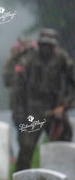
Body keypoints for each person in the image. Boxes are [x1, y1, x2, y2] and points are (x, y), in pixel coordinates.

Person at [7, 29, 75, 172]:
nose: (46, 48)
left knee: (63, 144)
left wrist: (65, 104)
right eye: (43, 44)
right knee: (26, 146)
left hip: (55, 108)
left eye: (49, 46)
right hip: (33, 110)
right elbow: (17, 88)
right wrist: (19, 113)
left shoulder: (61, 59)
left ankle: (63, 176)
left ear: (54, 46)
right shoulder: (28, 59)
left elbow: (72, 81)